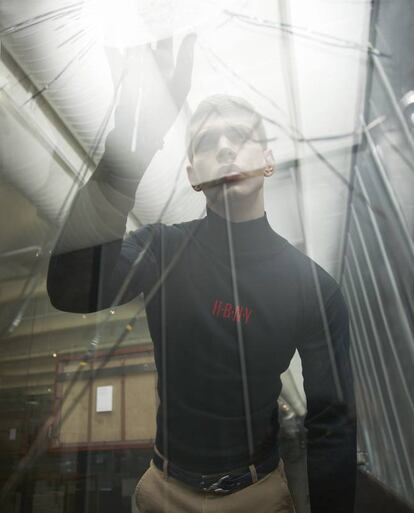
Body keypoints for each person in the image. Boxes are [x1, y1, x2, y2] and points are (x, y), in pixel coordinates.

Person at [47, 38, 356, 513]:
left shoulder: (315, 288)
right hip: (163, 492)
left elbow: (331, 423)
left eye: (241, 136)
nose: (226, 147)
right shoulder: (162, 248)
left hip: (259, 493)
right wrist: (123, 158)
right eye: (208, 143)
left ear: (269, 160)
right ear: (193, 173)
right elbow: (69, 291)